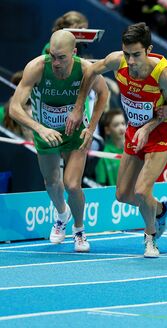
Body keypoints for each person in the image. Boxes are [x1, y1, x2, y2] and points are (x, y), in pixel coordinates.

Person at [69, 22, 167, 258]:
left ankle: (150, 238)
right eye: (127, 54)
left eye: (136, 54)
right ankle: (160, 210)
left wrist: (149, 127)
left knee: (141, 191)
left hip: (159, 134)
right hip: (133, 131)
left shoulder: (164, 74)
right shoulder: (116, 61)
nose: (131, 60)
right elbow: (89, 71)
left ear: (148, 50)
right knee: (123, 195)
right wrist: (79, 107)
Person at [9, 30, 109, 252]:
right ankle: (62, 213)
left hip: (76, 134)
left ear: (74, 53)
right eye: (53, 56)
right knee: (52, 183)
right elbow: (15, 107)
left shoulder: (84, 68)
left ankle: (79, 230)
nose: (56, 62)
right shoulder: (36, 67)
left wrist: (91, 128)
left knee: (73, 184)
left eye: (62, 57)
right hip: (45, 131)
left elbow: (104, 94)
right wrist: (39, 128)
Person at [95, 109, 126, 186]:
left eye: (123, 123)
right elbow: (100, 185)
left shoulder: (133, 150)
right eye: (116, 125)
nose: (121, 128)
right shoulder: (102, 155)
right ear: (107, 130)